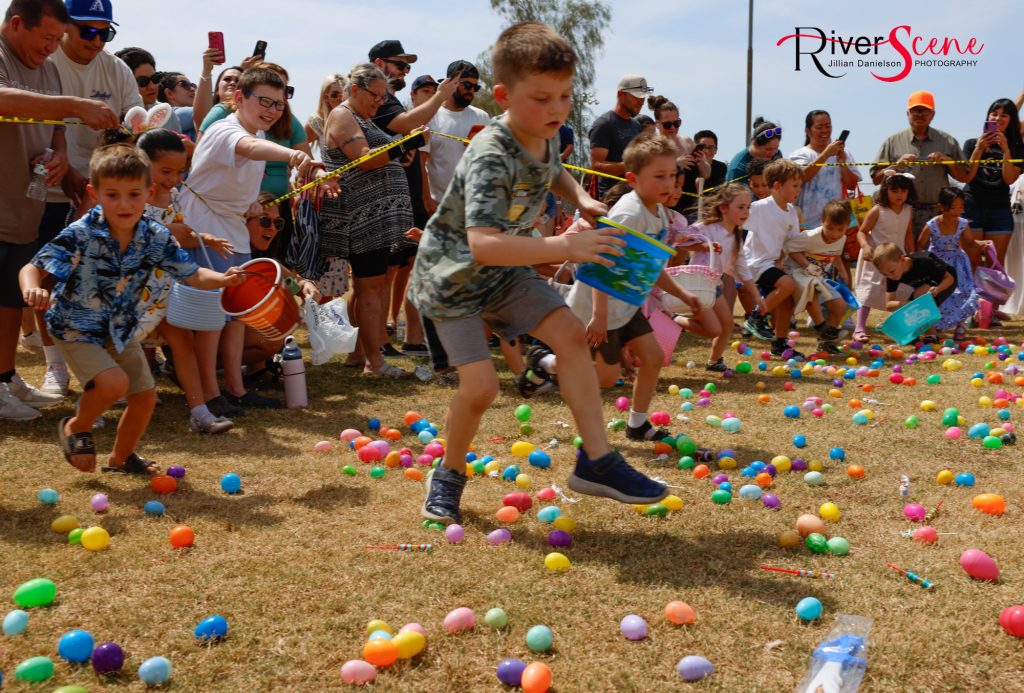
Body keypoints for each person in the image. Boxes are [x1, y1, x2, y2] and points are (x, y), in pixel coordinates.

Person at [409, 23, 672, 524]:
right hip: (453, 280)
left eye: (565, 96)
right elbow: (482, 244)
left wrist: (582, 198)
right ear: (504, 96)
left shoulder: (545, 134)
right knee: (482, 389)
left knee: (572, 337)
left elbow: (553, 171)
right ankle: (447, 475)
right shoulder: (490, 153)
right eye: (541, 98)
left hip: (505, 272)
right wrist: (565, 244)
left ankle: (596, 461)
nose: (556, 109)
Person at [19, 143, 244, 473]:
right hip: (76, 327)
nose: (124, 204)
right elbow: (33, 267)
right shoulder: (83, 232)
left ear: (149, 192)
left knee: (145, 398)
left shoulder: (155, 235)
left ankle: (121, 459)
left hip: (121, 328)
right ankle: (77, 426)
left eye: (133, 195)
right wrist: (33, 287)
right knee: (113, 384)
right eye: (113, 195)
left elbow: (193, 274)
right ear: (95, 194)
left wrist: (223, 280)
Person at [1, 0, 119, 421]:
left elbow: (57, 131)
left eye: (56, 39)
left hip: (24, 203)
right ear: (17, 24)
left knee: (9, 299)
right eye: (47, 38)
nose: (52, 48)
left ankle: (5, 378)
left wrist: (60, 159)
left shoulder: (47, 69)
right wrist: (73, 105)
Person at [179, 66, 314, 415]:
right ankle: (210, 394)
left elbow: (236, 174)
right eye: (264, 102)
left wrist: (249, 203)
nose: (271, 110)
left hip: (232, 232)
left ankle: (235, 389)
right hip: (205, 232)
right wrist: (294, 154)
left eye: (279, 104)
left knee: (235, 316)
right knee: (210, 318)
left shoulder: (253, 131)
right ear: (239, 98)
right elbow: (250, 148)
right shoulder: (226, 130)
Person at [562, 134, 702, 427]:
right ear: (632, 178)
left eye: (672, 176)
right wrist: (599, 316)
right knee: (605, 378)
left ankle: (637, 424)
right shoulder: (629, 213)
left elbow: (649, 266)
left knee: (652, 357)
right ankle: (544, 365)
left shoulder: (660, 213)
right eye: (659, 176)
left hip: (625, 305)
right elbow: (602, 260)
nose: (668, 184)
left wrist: (684, 295)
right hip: (598, 308)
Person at [318, 63, 421, 378]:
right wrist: (405, 144)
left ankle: (358, 355)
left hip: (373, 219)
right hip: (360, 219)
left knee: (368, 287)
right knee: (370, 286)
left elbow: (379, 156)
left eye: (383, 95)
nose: (380, 101)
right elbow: (364, 159)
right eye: (374, 95)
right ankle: (375, 364)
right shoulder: (342, 115)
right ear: (355, 89)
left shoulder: (360, 117)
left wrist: (398, 153)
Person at [135, 128, 234, 434]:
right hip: (134, 289)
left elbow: (180, 234)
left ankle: (199, 410)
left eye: (179, 171)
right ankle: (100, 404)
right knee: (121, 346)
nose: (173, 178)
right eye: (165, 171)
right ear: (143, 164)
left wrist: (204, 238)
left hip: (166, 287)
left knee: (183, 343)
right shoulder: (132, 196)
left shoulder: (175, 196)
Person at [672, 183, 763, 370]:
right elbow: (683, 241)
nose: (746, 212)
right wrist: (702, 245)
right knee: (714, 329)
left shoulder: (736, 236)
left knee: (727, 326)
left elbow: (743, 268)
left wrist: (756, 297)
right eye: (741, 207)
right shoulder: (707, 228)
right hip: (697, 285)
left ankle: (714, 361)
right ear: (723, 208)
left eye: (748, 207)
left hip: (713, 286)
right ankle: (673, 318)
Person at [871, 90, 968, 234]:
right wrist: (896, 165)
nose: (919, 114)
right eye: (915, 110)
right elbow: (876, 179)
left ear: (933, 114)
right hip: (902, 212)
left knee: (936, 255)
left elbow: (964, 177)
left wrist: (949, 162)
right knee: (905, 255)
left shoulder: (947, 141)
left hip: (938, 212)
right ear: (908, 114)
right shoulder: (892, 142)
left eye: (925, 111)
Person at [741, 159, 804, 358]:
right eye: (795, 185)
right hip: (755, 263)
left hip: (772, 264)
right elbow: (735, 223)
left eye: (800, 185)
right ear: (777, 186)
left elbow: (792, 242)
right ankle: (756, 317)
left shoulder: (792, 211)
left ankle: (780, 345)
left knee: (786, 303)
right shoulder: (759, 208)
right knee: (788, 285)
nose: (799, 190)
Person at [782, 199, 853, 354]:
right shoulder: (809, 237)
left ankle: (826, 343)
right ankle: (821, 326)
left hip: (817, 278)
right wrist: (806, 264)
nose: (834, 234)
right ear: (822, 222)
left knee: (839, 306)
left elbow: (836, 254)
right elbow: (789, 248)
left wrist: (842, 270)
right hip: (797, 275)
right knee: (812, 289)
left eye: (840, 229)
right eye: (830, 228)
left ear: (847, 226)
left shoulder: (841, 239)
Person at [852, 173, 915, 342]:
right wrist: (865, 247)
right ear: (885, 191)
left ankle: (900, 327)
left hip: (897, 257)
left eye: (903, 190)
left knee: (900, 291)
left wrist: (913, 253)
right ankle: (859, 328)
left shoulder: (908, 210)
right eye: (894, 191)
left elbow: (908, 233)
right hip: (875, 257)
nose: (899, 195)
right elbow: (862, 232)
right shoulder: (877, 210)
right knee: (868, 291)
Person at [963, 98, 1024, 268]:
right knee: (971, 263)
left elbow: (1009, 179)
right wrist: (979, 149)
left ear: (1011, 119)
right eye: (994, 114)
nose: (998, 118)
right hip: (972, 206)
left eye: (1004, 115)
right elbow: (967, 177)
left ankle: (992, 296)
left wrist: (1006, 150)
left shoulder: (1017, 149)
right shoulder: (971, 144)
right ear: (987, 117)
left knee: (995, 265)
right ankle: (971, 296)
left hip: (1000, 209)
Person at [916, 187, 985, 338]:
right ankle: (938, 325)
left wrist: (982, 244)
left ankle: (960, 325)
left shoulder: (962, 223)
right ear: (941, 207)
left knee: (963, 292)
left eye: (961, 207)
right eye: (953, 208)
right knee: (941, 293)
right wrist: (923, 260)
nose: (958, 211)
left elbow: (970, 242)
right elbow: (920, 244)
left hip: (958, 263)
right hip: (938, 265)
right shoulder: (932, 224)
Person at [424, 59, 491, 204]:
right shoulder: (431, 116)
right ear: (450, 83)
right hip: (440, 205)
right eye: (467, 85)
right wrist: (426, 199)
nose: (471, 90)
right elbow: (420, 162)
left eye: (475, 87)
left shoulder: (482, 117)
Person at [872, 242, 966, 338]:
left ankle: (931, 336)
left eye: (891, 272)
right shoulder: (891, 274)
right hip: (927, 286)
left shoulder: (924, 262)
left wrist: (938, 289)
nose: (890, 276)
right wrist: (905, 304)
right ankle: (916, 333)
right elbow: (889, 304)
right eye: (885, 274)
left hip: (946, 281)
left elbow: (949, 278)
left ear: (902, 259)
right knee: (915, 303)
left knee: (921, 300)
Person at [788, 110, 860, 227]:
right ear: (808, 131)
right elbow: (801, 177)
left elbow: (852, 185)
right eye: (819, 127)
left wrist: (842, 163)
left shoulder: (843, 153)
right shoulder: (799, 155)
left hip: (836, 225)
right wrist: (826, 154)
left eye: (828, 126)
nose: (825, 131)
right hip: (806, 225)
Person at [589, 73, 651, 197]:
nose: (641, 101)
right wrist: (631, 165)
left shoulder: (636, 125)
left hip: (635, 196)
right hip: (611, 200)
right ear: (620, 94)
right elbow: (596, 166)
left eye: (644, 97)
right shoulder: (604, 124)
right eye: (637, 96)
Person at [648, 95, 709, 184]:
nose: (673, 127)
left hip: (690, 197)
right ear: (657, 124)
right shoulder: (652, 146)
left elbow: (706, 175)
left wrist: (701, 162)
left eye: (676, 123)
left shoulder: (687, 141)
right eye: (667, 124)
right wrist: (675, 165)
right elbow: (650, 176)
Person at [726, 117, 783, 182]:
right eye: (768, 149)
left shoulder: (777, 155)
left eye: (776, 148)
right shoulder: (738, 169)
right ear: (755, 143)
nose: (773, 153)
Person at [304, 73, 345, 158]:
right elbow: (297, 145)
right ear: (326, 97)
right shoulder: (318, 121)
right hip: (331, 170)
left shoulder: (359, 118)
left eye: (344, 94)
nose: (340, 99)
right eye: (335, 95)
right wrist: (314, 168)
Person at [155, 70, 197, 140]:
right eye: (184, 84)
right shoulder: (171, 115)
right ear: (169, 93)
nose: (192, 89)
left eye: (193, 85)